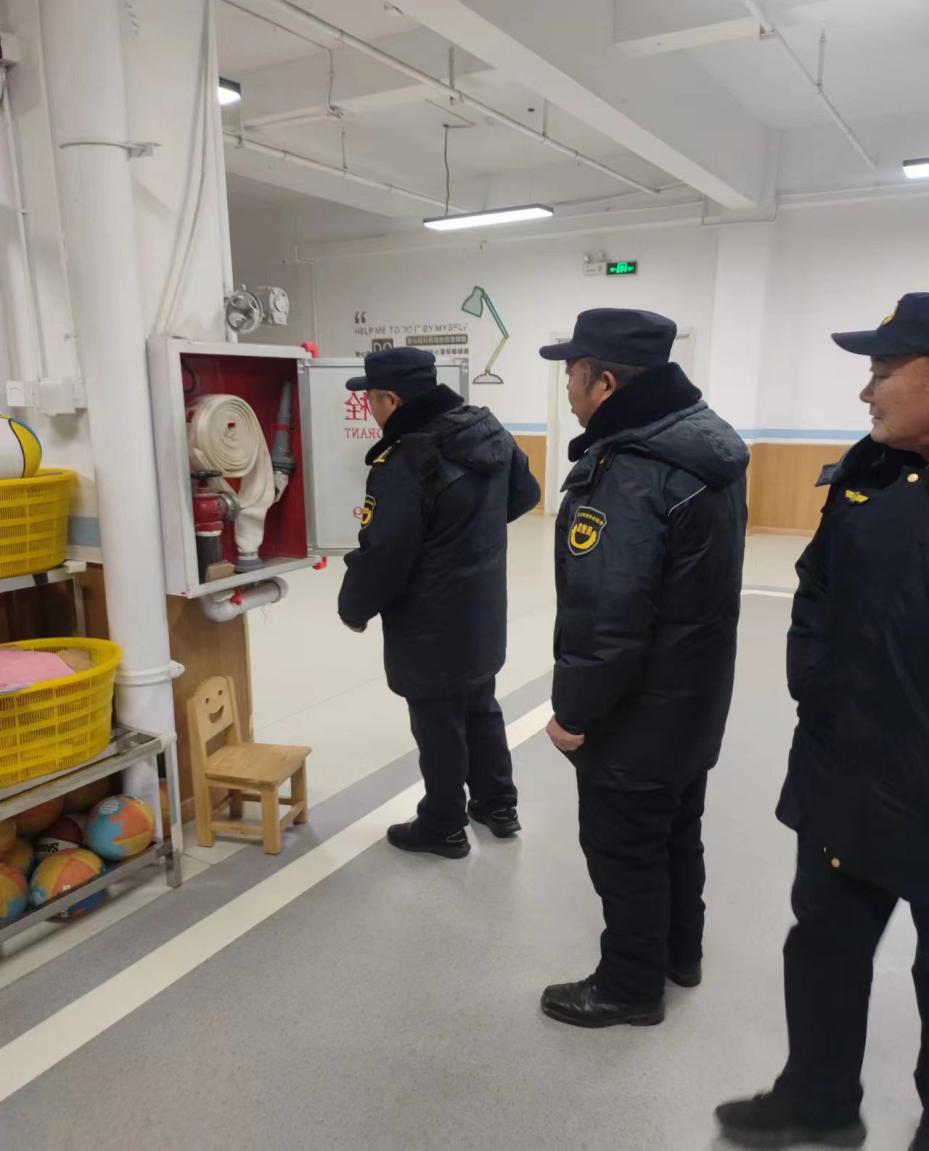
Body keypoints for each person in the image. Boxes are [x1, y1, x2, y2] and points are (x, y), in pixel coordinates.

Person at [716, 293, 929, 1151]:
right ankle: (817, 1097)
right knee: (823, 942)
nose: (864, 391)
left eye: (881, 371)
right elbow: (815, 584)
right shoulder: (867, 472)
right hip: (847, 766)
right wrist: (814, 684)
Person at [537, 308, 749, 1028]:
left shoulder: (629, 471)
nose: (567, 390)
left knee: (623, 846)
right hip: (691, 695)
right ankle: (678, 953)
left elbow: (608, 613)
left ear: (603, 382)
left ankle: (629, 986)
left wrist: (573, 712)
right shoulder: (704, 443)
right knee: (676, 829)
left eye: (572, 374)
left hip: (636, 711)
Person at [338, 347, 540, 859]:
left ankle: (443, 825)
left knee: (437, 718)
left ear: (391, 399)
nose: (370, 409)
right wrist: (470, 532)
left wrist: (354, 607)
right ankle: (498, 806)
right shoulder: (486, 430)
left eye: (371, 399)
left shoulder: (406, 460)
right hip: (483, 606)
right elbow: (525, 494)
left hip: (428, 618)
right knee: (480, 702)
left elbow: (384, 554)